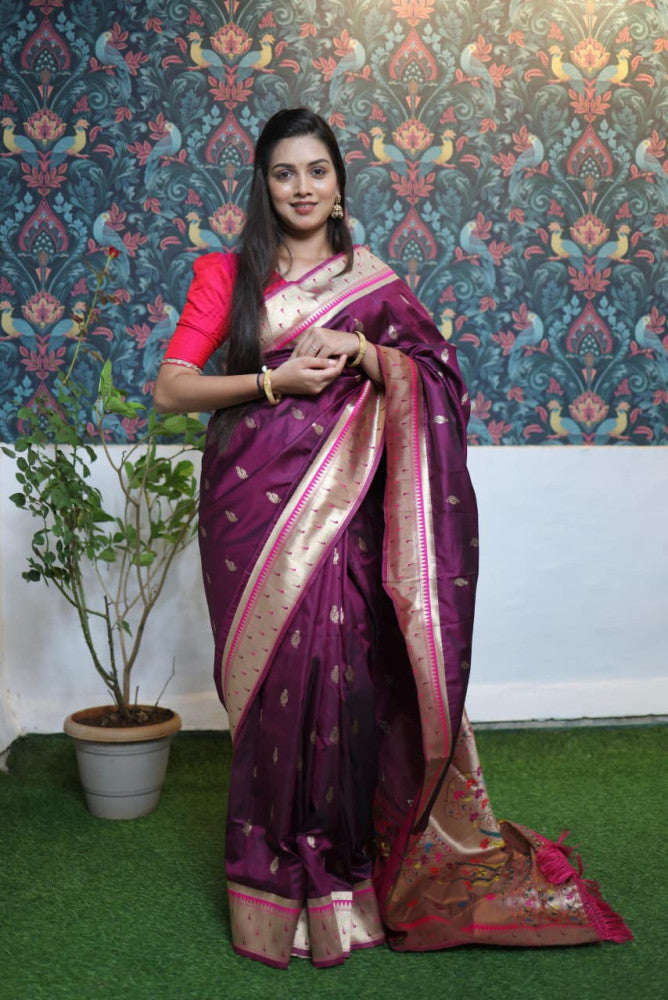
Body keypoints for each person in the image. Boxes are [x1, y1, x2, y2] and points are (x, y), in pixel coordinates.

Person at [154, 108, 631, 969]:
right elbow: (173, 388)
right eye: (284, 173)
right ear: (264, 185)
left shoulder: (372, 284)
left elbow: (437, 378)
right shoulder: (227, 274)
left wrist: (363, 350)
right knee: (272, 699)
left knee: (344, 686)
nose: (302, 188)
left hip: (347, 519)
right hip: (251, 515)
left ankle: (343, 882)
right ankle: (271, 884)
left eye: (317, 171)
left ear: (339, 183)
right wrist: (275, 380)